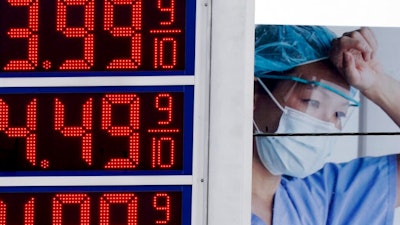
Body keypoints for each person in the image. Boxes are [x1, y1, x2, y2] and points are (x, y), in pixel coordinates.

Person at [252, 25, 400, 225]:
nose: (325, 125)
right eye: (312, 102)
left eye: (339, 114)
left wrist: (375, 82)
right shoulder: (202, 193)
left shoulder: (324, 198)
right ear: (254, 93)